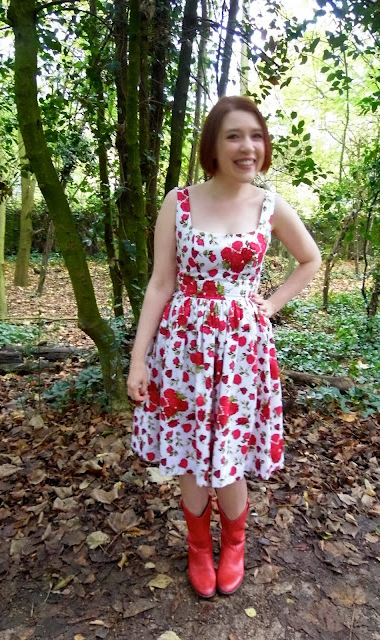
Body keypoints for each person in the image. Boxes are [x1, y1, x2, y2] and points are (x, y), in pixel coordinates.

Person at [127, 96, 321, 598]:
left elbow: (310, 259)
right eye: (234, 136)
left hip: (241, 351)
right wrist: (138, 358)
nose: (247, 146)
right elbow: (160, 283)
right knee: (190, 450)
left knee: (230, 448)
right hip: (182, 349)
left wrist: (270, 305)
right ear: (212, 146)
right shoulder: (179, 202)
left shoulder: (269, 205)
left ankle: (234, 543)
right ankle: (198, 546)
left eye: (256, 136)